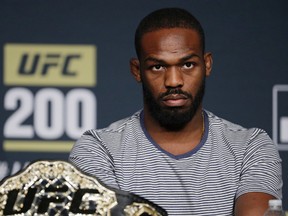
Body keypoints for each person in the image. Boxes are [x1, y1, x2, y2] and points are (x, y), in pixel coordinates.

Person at [69, 8, 283, 215]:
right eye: (158, 67)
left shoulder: (250, 147)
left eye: (188, 65)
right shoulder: (99, 150)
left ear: (207, 65)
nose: (174, 81)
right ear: (137, 70)